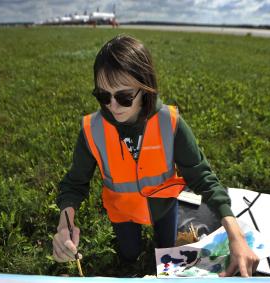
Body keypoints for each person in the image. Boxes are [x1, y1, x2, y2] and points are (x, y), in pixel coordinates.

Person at [52, 35, 259, 277]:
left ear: (146, 87)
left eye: (124, 96)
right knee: (129, 255)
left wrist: (236, 235)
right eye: (102, 95)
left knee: (166, 249)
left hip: (164, 207)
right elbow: (74, 184)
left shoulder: (169, 122)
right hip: (122, 211)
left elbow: (202, 176)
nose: (112, 105)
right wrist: (64, 225)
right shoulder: (91, 130)